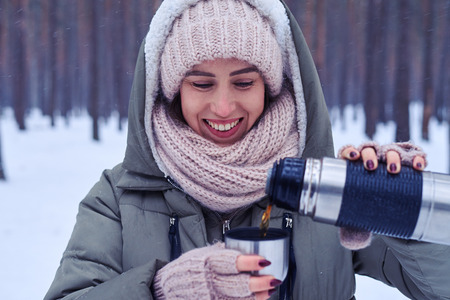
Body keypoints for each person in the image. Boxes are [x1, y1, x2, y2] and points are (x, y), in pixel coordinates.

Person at [44, 0, 450, 299]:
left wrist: (406, 210)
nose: (223, 107)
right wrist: (159, 291)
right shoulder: (119, 199)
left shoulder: (325, 190)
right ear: (171, 92)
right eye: (201, 84)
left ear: (271, 86)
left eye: (243, 83)